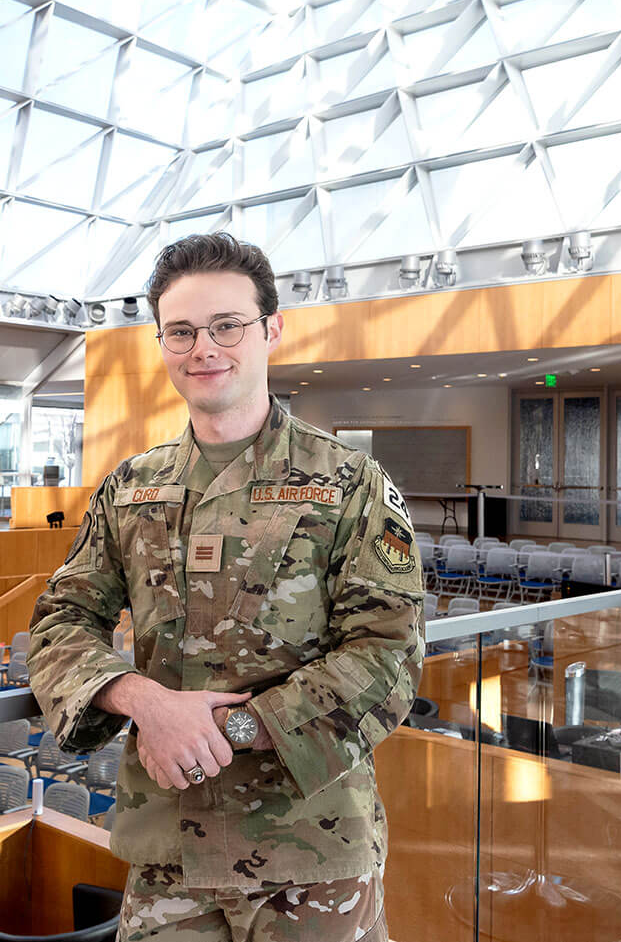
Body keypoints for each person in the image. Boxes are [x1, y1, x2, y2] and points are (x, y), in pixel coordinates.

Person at [27, 233, 424, 941]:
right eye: (180, 330)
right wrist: (141, 699)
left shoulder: (350, 484)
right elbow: (61, 620)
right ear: (161, 343)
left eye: (226, 325)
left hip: (311, 859)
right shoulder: (130, 486)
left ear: (271, 329)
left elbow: (386, 657)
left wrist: (232, 726)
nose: (203, 347)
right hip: (167, 854)